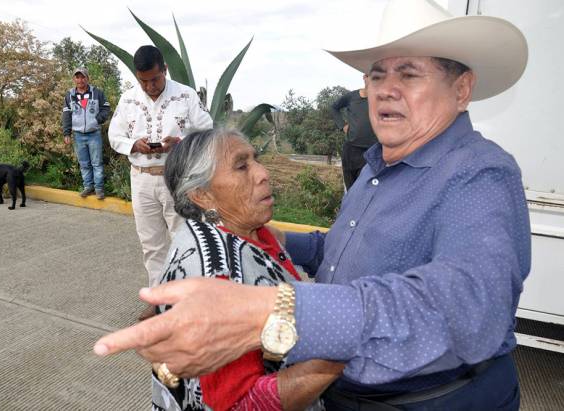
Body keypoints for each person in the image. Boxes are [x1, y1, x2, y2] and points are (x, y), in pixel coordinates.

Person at [94, 1, 531, 410]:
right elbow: (347, 252)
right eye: (377, 76)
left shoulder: (477, 174)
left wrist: (274, 310)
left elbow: (471, 305)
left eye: (409, 74)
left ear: (462, 89)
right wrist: (281, 242)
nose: (386, 91)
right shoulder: (379, 165)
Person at [150, 128, 343, 410]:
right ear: (202, 195)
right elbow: (241, 403)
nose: (263, 173)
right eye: (242, 166)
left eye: (256, 159)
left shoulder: (246, 231)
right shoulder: (218, 282)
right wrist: (341, 350)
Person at [108, 45, 213, 287]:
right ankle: (159, 298)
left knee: (184, 238)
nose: (149, 86)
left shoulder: (186, 95)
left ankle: (187, 297)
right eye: (143, 81)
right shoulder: (128, 99)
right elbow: (114, 137)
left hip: (177, 178)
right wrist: (134, 144)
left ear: (165, 69)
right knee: (151, 244)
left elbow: (208, 130)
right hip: (142, 179)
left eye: (154, 79)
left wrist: (181, 143)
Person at [62, 67, 111, 199]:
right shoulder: (69, 95)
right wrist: (66, 133)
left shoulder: (97, 93)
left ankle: (99, 189)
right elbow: (66, 115)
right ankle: (88, 187)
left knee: (96, 163)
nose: (80, 80)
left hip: (94, 133)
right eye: (77, 77)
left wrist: (97, 120)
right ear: (74, 79)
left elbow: (106, 108)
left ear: (87, 78)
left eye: (83, 77)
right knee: (84, 163)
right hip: (78, 135)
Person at [331, 75, 378, 189]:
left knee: (365, 189)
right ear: (365, 77)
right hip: (350, 151)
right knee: (350, 190)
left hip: (370, 152)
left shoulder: (380, 99)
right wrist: (342, 125)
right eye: (370, 76)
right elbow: (334, 108)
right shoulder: (351, 97)